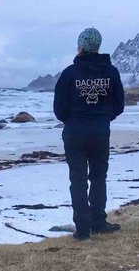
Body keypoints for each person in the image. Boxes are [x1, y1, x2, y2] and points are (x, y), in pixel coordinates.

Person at [53, 27, 125, 241]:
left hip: (75, 133)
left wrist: (73, 120)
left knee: (78, 180)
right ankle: (98, 222)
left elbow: (59, 109)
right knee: (98, 177)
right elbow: (119, 105)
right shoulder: (111, 72)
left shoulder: (69, 73)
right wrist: (103, 117)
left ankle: (83, 230)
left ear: (81, 46)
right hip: (100, 132)